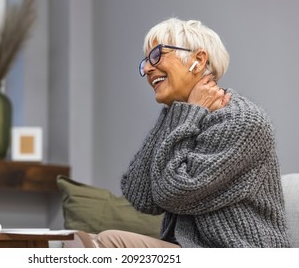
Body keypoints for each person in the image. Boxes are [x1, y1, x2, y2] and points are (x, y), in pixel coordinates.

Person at [66, 17, 291, 248]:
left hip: (241, 252)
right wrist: (181, 113)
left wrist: (188, 113)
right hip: (193, 250)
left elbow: (173, 193)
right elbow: (139, 195)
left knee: (107, 243)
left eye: (156, 55)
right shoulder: (185, 116)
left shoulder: (241, 120)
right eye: (145, 61)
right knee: (103, 242)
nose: (146, 68)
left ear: (198, 59)